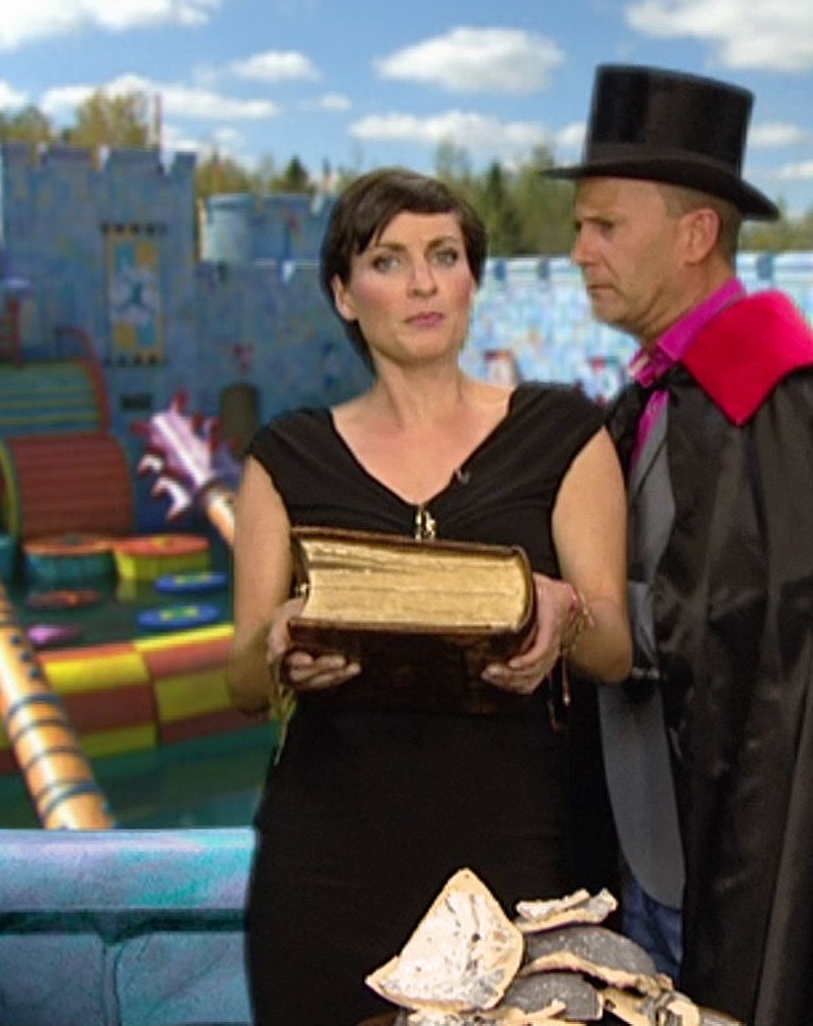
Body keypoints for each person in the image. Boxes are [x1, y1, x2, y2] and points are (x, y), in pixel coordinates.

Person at [547, 65, 813, 1025]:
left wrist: (586, 617)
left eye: (605, 225)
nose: (579, 250)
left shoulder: (788, 401)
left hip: (734, 855)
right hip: (643, 855)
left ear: (696, 234)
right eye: (579, 226)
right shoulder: (656, 393)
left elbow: (783, 628)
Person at [225, 167, 631, 1025]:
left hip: (517, 861)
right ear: (344, 294)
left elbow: (615, 648)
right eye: (388, 260)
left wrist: (563, 614)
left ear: (472, 281)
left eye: (444, 256)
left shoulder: (563, 435)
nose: (422, 283)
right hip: (327, 871)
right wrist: (279, 644)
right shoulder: (285, 458)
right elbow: (240, 682)